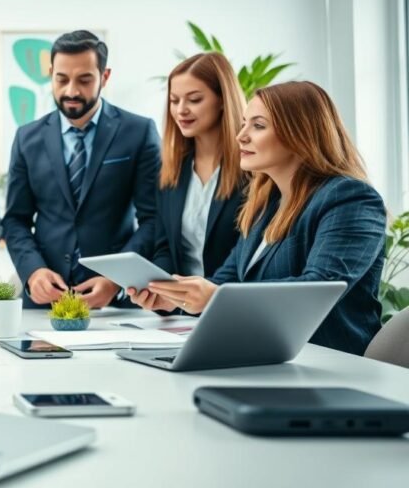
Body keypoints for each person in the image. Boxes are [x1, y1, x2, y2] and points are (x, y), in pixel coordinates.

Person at [134, 81, 386, 355]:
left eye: (258, 125)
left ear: (299, 134)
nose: (241, 136)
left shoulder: (350, 198)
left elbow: (319, 288)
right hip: (270, 357)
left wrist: (216, 298)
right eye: (244, 124)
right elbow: (224, 280)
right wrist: (175, 297)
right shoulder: (265, 205)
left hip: (333, 364)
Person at [2, 30, 160, 309]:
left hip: (115, 303)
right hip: (45, 302)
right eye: (61, 79)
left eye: (84, 80)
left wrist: (116, 280)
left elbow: (154, 219)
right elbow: (16, 219)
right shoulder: (27, 138)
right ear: (50, 73)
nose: (71, 91)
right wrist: (33, 271)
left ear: (105, 76)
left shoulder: (139, 132)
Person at [147, 53, 246, 281]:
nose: (181, 110)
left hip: (232, 304)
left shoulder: (253, 171)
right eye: (174, 100)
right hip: (183, 311)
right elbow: (165, 249)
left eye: (194, 99)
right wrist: (155, 287)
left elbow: (249, 254)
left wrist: (206, 292)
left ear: (223, 99)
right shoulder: (172, 171)